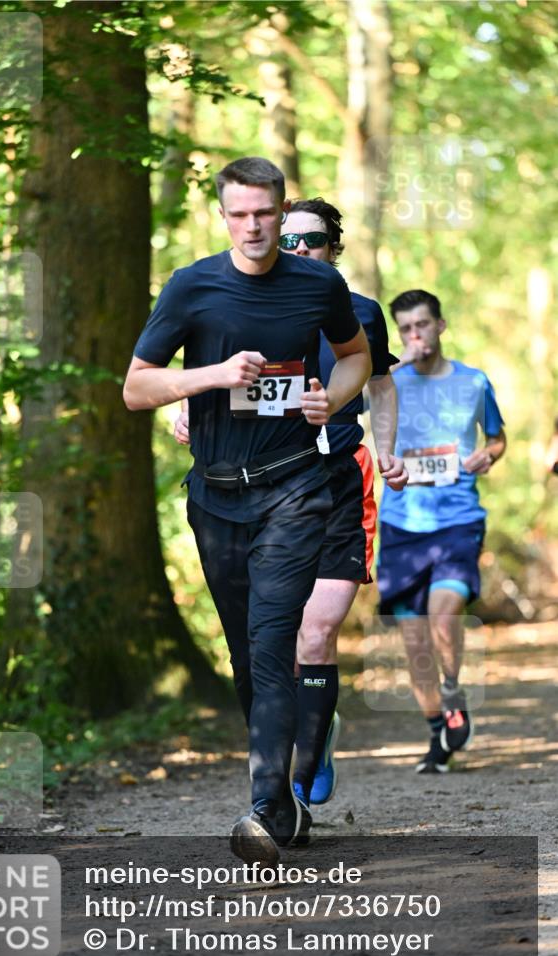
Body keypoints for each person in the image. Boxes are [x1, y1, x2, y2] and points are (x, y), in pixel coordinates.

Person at [123, 157, 372, 862]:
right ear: (223, 216)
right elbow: (136, 389)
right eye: (239, 215)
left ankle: (265, 806)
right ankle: (282, 793)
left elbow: (354, 356)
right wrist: (214, 376)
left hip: (295, 487)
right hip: (215, 497)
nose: (253, 227)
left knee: (271, 642)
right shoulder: (192, 286)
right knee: (243, 653)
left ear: (280, 210)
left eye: (264, 213)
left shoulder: (319, 284)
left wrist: (332, 396)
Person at [175, 198, 408, 813]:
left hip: (339, 478)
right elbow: (216, 372)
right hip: (268, 487)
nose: (300, 250)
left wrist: (387, 449)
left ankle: (309, 757)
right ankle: (287, 761)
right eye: (291, 240)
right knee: (271, 639)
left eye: (314, 241)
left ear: (334, 248)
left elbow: (380, 384)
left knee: (318, 630)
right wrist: (190, 412)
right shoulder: (251, 306)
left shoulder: (360, 313)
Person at [378, 289, 506, 773]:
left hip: (457, 519)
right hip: (401, 523)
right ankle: (437, 731)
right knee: (414, 642)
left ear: (440, 325)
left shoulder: (474, 382)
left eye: (422, 325)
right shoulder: (387, 381)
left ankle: (452, 691)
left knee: (444, 611)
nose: (416, 335)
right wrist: (393, 365)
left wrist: (488, 455)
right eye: (406, 328)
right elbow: (341, 399)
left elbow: (497, 438)